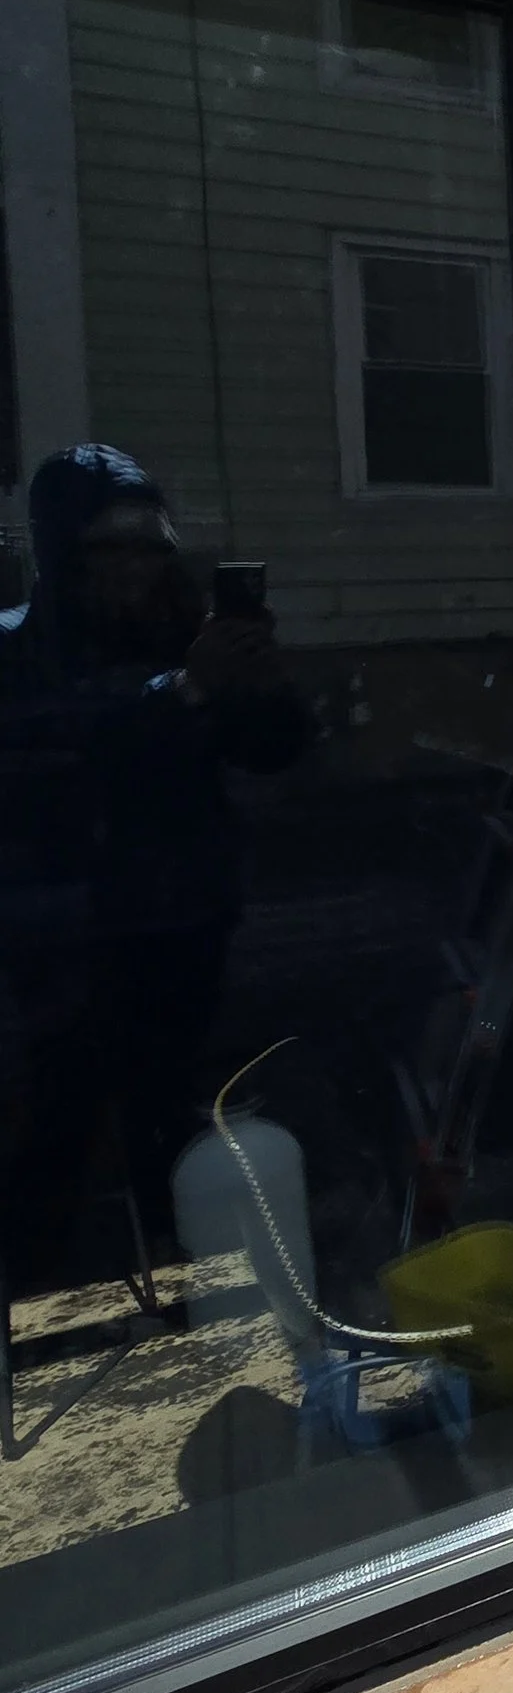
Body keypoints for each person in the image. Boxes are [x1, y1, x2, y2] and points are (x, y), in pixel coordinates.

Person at [0, 445, 310, 1282]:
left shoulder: (183, 635)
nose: (138, 568)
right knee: (58, 1125)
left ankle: (177, 1278)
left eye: (152, 546)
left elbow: (275, 751)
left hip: (185, 916)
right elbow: (57, 747)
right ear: (66, 552)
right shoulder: (21, 649)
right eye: (114, 547)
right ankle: (45, 1297)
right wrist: (183, 692)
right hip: (67, 935)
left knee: (172, 1115)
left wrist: (259, 680)